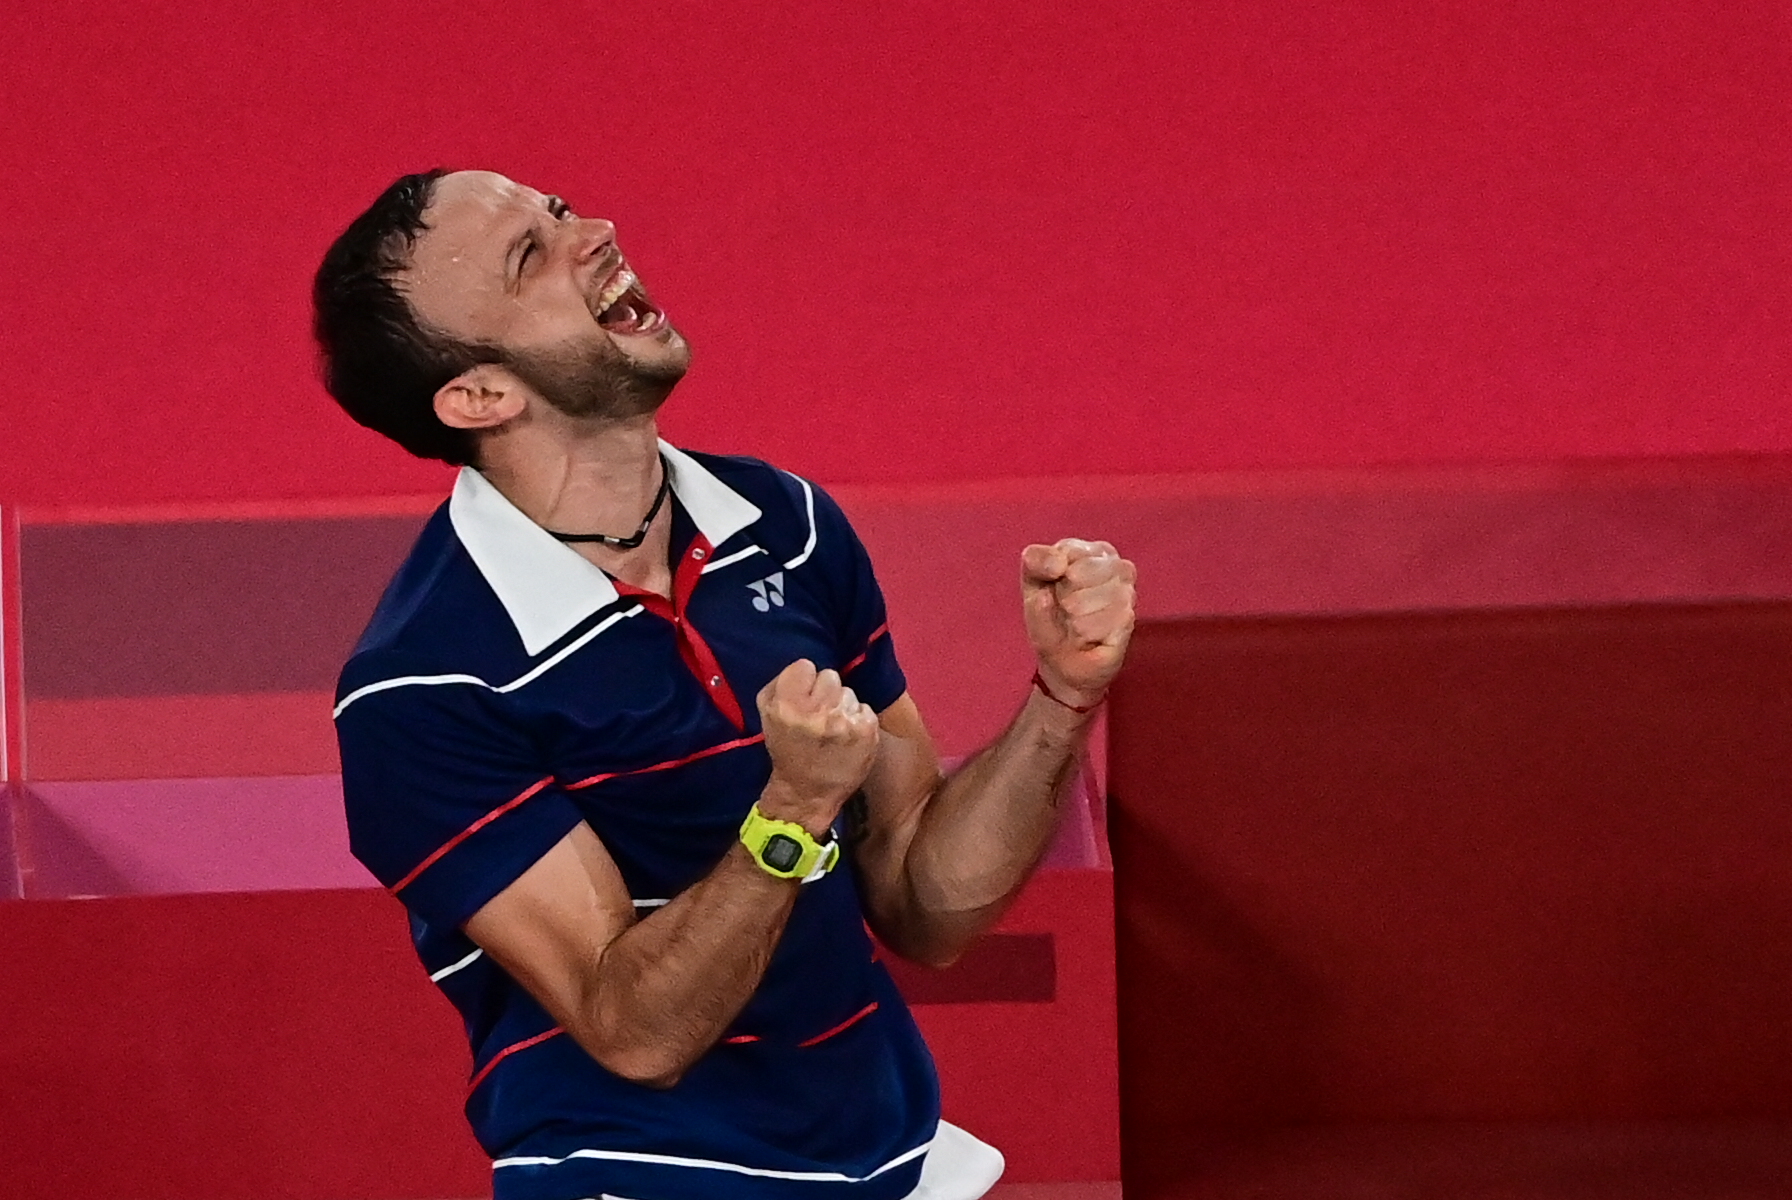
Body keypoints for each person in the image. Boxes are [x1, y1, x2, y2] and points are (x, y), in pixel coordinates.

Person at [313, 168, 1137, 1200]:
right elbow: (632, 1030)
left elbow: (926, 907)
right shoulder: (424, 684)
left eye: (560, 211)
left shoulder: (785, 524)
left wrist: (1060, 699)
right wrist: (791, 807)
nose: (598, 231)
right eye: (531, 256)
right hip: (641, 1173)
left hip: (892, 1156)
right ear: (479, 395)